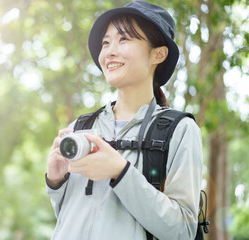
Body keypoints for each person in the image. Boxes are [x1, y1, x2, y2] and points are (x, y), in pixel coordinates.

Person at [45, 1, 203, 239]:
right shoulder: (80, 128)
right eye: (105, 42)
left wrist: (120, 172)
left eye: (124, 39)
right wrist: (55, 181)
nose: (109, 51)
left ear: (158, 54)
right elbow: (69, 218)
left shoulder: (179, 130)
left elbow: (183, 229)